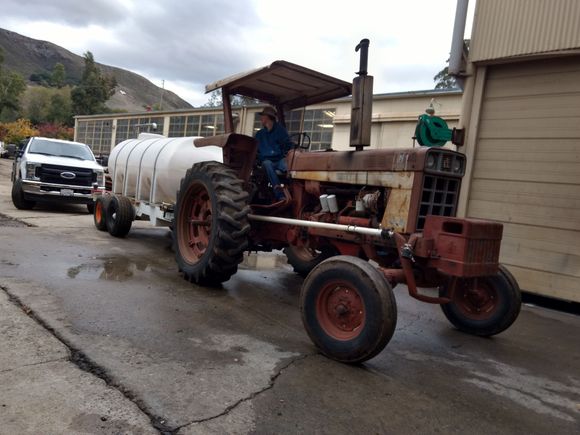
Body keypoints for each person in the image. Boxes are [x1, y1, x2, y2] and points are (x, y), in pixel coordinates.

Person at [255, 106, 292, 201]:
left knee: (289, 167)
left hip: (279, 160)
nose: (261, 118)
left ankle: (293, 190)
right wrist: (259, 159)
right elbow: (255, 150)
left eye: (262, 116)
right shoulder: (259, 134)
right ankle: (280, 195)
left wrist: (285, 156)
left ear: (267, 117)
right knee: (267, 164)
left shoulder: (281, 131)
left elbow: (288, 146)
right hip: (267, 161)